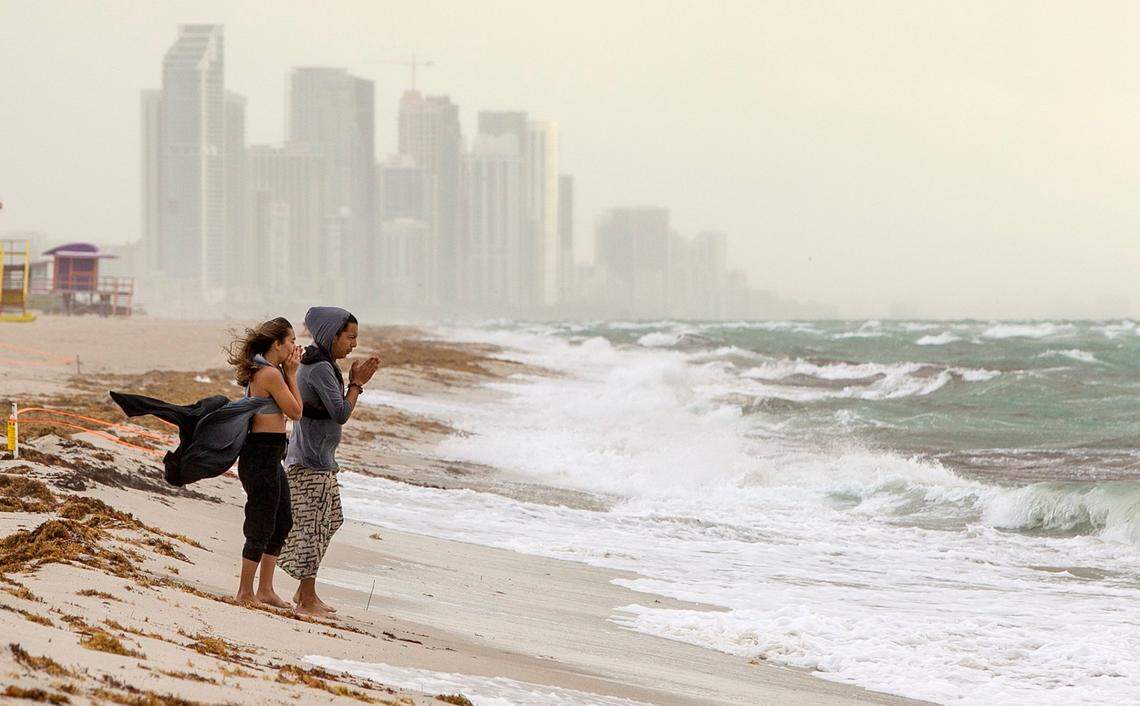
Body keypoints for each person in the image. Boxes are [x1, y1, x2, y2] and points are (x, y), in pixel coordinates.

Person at [277, 306, 379, 615]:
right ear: (330, 335)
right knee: (314, 526)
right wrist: (357, 384)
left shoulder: (320, 362)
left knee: (329, 520)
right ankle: (306, 595)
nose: (354, 344)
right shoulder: (319, 367)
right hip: (310, 461)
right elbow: (341, 413)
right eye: (350, 337)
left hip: (315, 458)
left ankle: (303, 586)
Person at [225, 317, 303, 608]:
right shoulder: (270, 374)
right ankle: (245, 591)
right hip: (259, 454)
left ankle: (266, 589)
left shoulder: (267, 369)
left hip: (271, 454)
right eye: (291, 340)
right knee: (261, 521)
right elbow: (295, 412)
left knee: (282, 520)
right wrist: (292, 374)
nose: (295, 346)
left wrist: (287, 371)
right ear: (277, 344)